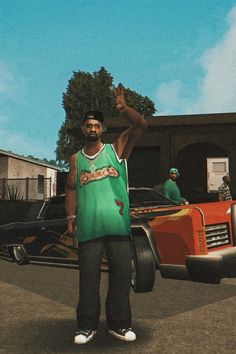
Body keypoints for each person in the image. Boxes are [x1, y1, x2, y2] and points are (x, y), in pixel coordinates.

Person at [65, 85, 147, 345]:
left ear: (102, 129)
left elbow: (140, 125)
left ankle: (119, 326)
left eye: (96, 126)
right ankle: (86, 327)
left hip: (117, 227)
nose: (92, 129)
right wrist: (70, 219)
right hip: (88, 228)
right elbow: (70, 188)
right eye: (88, 125)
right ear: (83, 129)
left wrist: (124, 109)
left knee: (121, 277)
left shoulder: (116, 149)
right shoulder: (76, 159)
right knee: (88, 280)